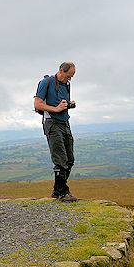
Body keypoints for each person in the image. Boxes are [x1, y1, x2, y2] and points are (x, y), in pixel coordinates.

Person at [34, 62, 79, 202]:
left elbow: (60, 103)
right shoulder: (45, 82)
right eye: (68, 76)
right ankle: (63, 193)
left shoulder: (66, 84)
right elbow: (37, 104)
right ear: (61, 70)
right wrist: (57, 109)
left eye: (71, 77)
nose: (69, 79)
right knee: (60, 160)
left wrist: (68, 105)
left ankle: (57, 190)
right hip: (52, 123)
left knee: (69, 160)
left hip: (65, 122)